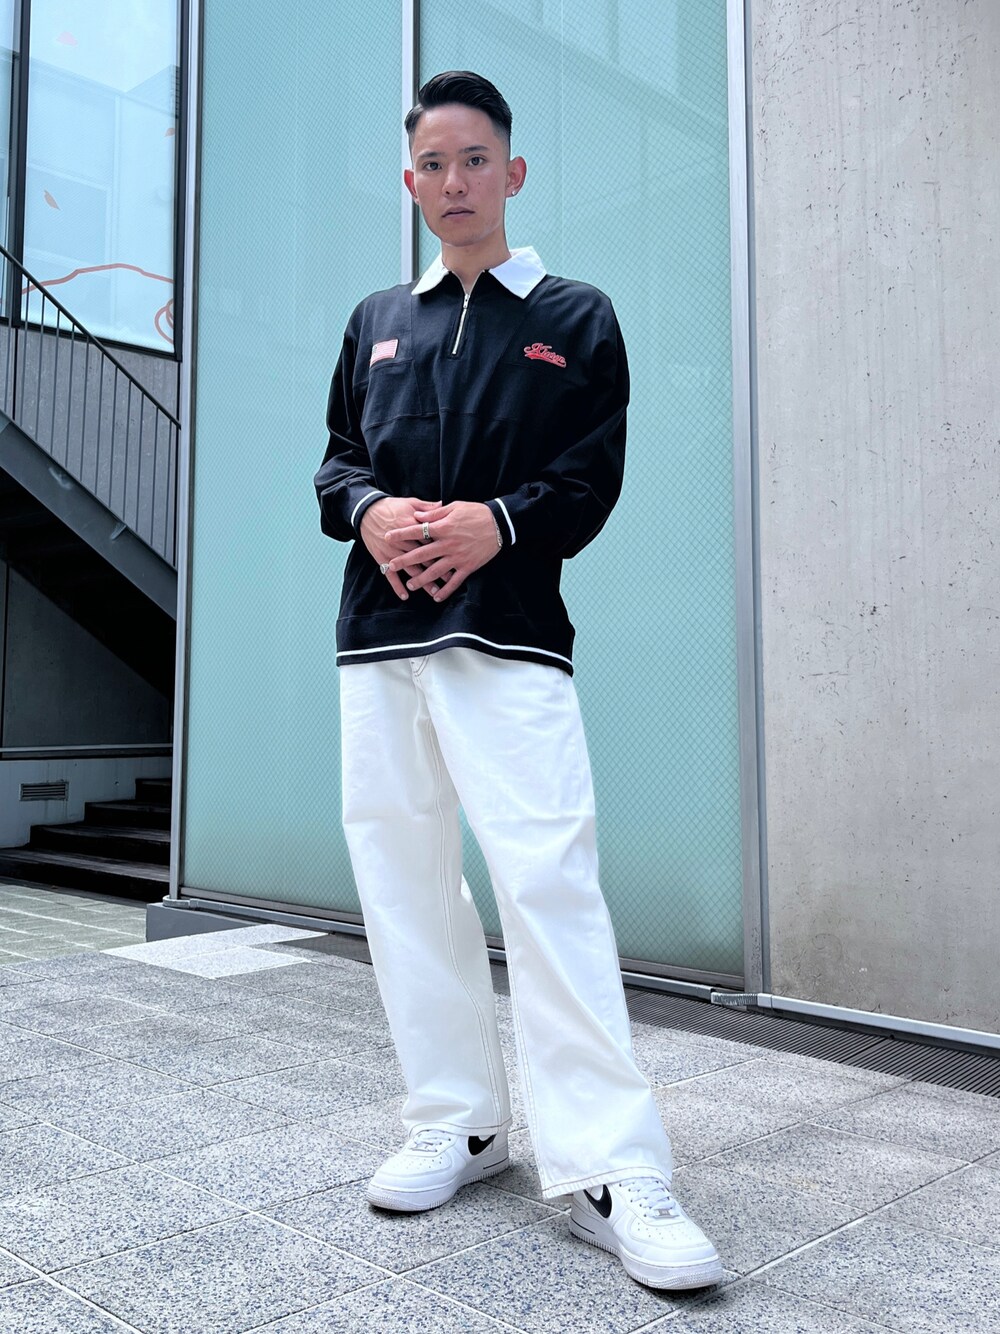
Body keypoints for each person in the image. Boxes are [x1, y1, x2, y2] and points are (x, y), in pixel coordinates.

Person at [314, 70, 723, 1291]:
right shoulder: (376, 319)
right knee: (403, 882)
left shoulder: (574, 316)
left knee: (549, 886)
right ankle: (459, 1121)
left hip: (511, 638)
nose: (455, 181)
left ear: (513, 172)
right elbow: (335, 462)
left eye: (475, 159)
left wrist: (495, 522)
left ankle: (613, 1166)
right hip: (378, 642)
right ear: (411, 182)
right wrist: (370, 507)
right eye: (434, 163)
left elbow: (589, 479)